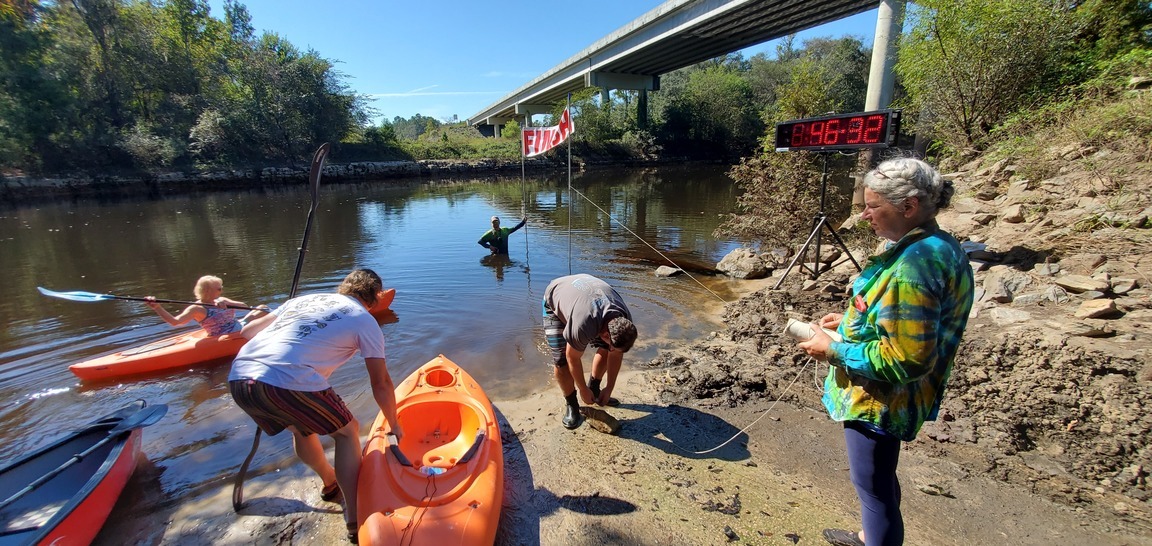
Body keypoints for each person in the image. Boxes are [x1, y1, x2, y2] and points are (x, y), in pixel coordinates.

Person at [797, 158, 974, 546]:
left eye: (872, 206)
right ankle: (872, 534)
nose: (863, 215)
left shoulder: (914, 264)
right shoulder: (939, 245)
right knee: (880, 481)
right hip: (895, 396)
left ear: (908, 206)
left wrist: (835, 350)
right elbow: (898, 319)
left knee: (872, 486)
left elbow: (905, 359)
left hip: (881, 399)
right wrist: (846, 323)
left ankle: (875, 539)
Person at [227, 268, 402, 544]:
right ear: (376, 297)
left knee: (301, 429)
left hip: (239, 377)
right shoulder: (364, 320)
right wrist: (394, 424)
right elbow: (380, 383)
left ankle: (330, 483)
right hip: (286, 379)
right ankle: (355, 519)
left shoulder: (302, 300)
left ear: (344, 288)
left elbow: (248, 332)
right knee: (347, 431)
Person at [542, 273, 638, 429]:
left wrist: (609, 388)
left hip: (587, 296)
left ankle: (595, 388)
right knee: (561, 361)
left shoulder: (624, 319)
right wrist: (582, 389)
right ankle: (572, 404)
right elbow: (572, 357)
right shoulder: (584, 324)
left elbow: (615, 354)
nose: (616, 350)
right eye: (613, 345)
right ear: (606, 334)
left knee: (608, 349)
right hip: (555, 298)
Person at [145, 275, 268, 336]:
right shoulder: (197, 308)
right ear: (208, 291)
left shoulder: (221, 299)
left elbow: (245, 306)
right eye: (219, 288)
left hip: (238, 325)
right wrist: (157, 307)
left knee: (263, 308)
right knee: (266, 316)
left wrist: (228, 303)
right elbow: (175, 322)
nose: (222, 290)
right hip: (226, 335)